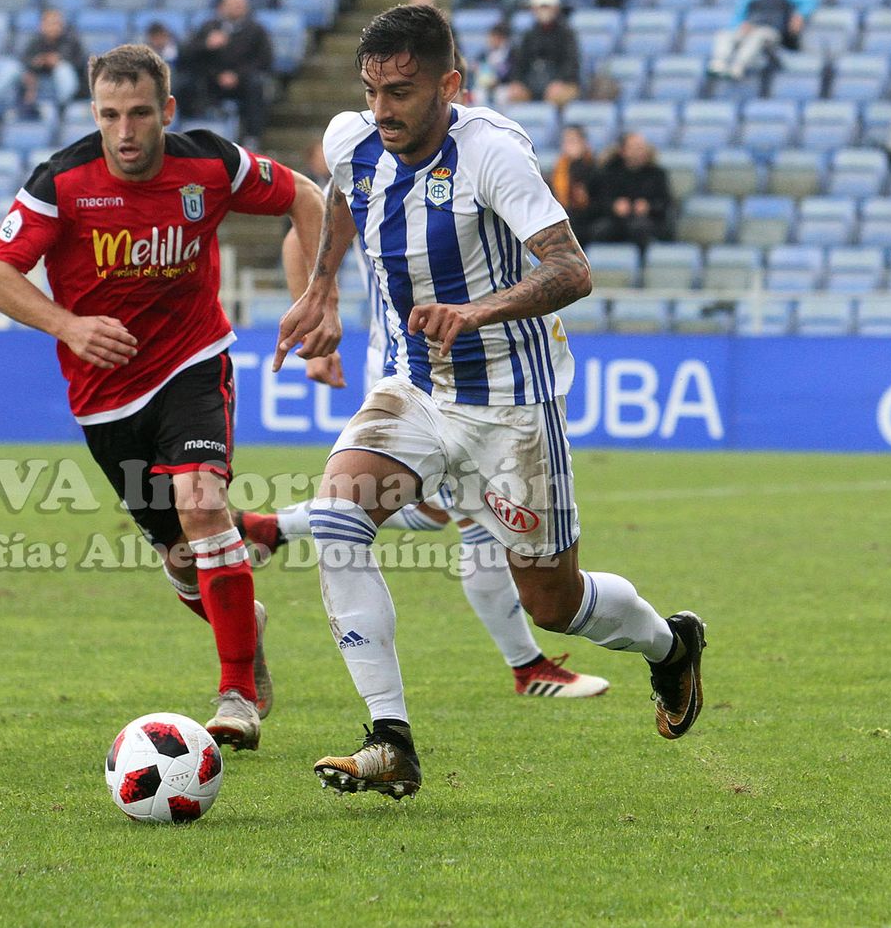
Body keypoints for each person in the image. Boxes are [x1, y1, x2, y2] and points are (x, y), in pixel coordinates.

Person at [272, 4, 705, 798]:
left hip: (512, 408)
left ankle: (669, 647)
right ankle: (390, 735)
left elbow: (572, 269)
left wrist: (477, 310)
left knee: (553, 601)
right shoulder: (355, 142)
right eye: (372, 90)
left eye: (400, 91)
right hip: (415, 389)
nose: (383, 110)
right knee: (338, 516)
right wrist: (324, 286)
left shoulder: (493, 156)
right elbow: (341, 197)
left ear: (449, 84)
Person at [0, 45, 325, 750]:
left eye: (139, 113)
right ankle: (247, 591)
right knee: (180, 557)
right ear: (94, 114)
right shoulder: (62, 181)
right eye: (110, 115)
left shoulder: (209, 164)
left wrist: (317, 297)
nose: (125, 131)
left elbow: (305, 197)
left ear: (166, 110)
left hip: (193, 360)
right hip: (106, 397)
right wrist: (67, 324)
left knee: (200, 504)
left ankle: (235, 695)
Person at [235, 221, 610, 700]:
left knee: (440, 513)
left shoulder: (458, 165)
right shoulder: (374, 159)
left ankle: (275, 528)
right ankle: (527, 667)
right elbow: (298, 235)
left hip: (443, 368)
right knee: (478, 519)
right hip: (418, 374)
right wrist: (319, 307)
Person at [178, 0, 276, 147]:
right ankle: (186, 134)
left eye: (240, 5)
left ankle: (251, 137)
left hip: (242, 81)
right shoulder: (209, 27)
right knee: (186, 84)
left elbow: (264, 60)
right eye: (233, 5)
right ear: (222, 7)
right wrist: (206, 45)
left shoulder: (256, 30)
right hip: (211, 80)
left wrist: (237, 75)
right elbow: (186, 55)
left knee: (256, 86)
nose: (237, 8)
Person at [707, 0, 817, 81]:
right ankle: (719, 64)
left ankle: (738, 66)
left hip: (774, 33)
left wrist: (800, 15)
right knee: (724, 34)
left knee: (760, 34)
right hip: (750, 31)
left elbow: (810, 0)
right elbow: (738, 17)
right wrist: (741, 27)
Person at [582, 131, 671, 251]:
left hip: (647, 221)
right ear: (623, 151)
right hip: (615, 220)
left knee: (640, 229)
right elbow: (598, 200)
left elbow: (666, 203)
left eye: (641, 148)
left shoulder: (657, 174)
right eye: (634, 148)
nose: (639, 152)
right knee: (598, 230)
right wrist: (613, 206)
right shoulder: (609, 172)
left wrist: (648, 207)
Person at [0, 8, 87, 118]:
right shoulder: (35, 40)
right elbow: (24, 60)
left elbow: (80, 63)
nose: (54, 27)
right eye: (50, 23)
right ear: (42, 25)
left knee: (63, 69)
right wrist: (38, 61)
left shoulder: (71, 40)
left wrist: (59, 61)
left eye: (57, 23)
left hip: (67, 84)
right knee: (12, 67)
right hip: (38, 81)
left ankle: (63, 105)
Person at [504, 0, 580, 105]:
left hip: (561, 83)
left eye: (547, 7)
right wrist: (517, 82)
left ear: (556, 8)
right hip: (532, 82)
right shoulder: (529, 35)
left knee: (558, 96)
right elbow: (520, 63)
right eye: (541, 7)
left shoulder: (567, 34)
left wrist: (560, 81)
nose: (544, 11)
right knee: (514, 95)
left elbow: (571, 63)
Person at [550, 123, 595, 229]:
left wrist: (577, 162)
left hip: (588, 221)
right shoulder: (559, 168)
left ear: (583, 142)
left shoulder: (593, 166)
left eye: (573, 141)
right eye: (566, 141)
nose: (569, 146)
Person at [467, 19, 511, 107]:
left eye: (498, 38)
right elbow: (475, 68)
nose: (494, 40)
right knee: (478, 96)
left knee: (502, 96)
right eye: (492, 37)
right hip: (483, 86)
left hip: (503, 86)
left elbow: (509, 72)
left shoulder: (510, 55)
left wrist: (497, 80)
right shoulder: (483, 54)